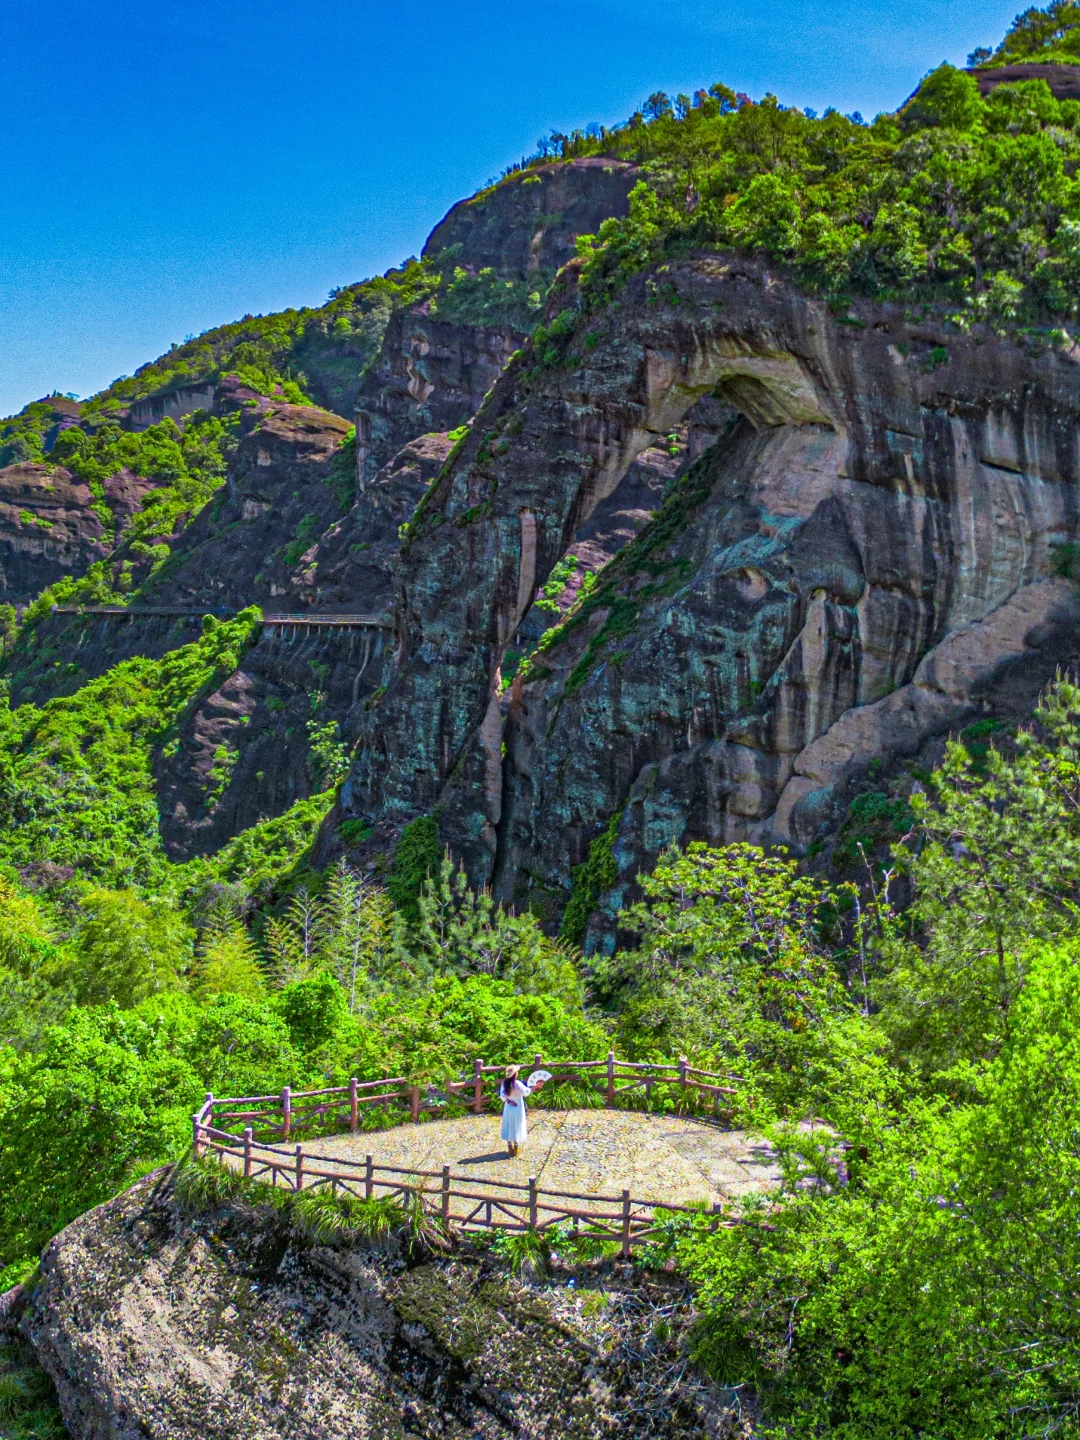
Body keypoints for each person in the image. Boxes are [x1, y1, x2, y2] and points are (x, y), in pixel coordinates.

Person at [499, 1065, 542, 1157]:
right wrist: (535, 1087)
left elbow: (502, 1096)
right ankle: (515, 1147)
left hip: (508, 1106)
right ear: (515, 1074)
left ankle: (509, 1146)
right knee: (517, 1125)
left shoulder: (504, 1083)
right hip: (518, 1106)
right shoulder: (517, 1083)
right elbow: (526, 1092)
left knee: (509, 1124)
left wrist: (509, 1101)